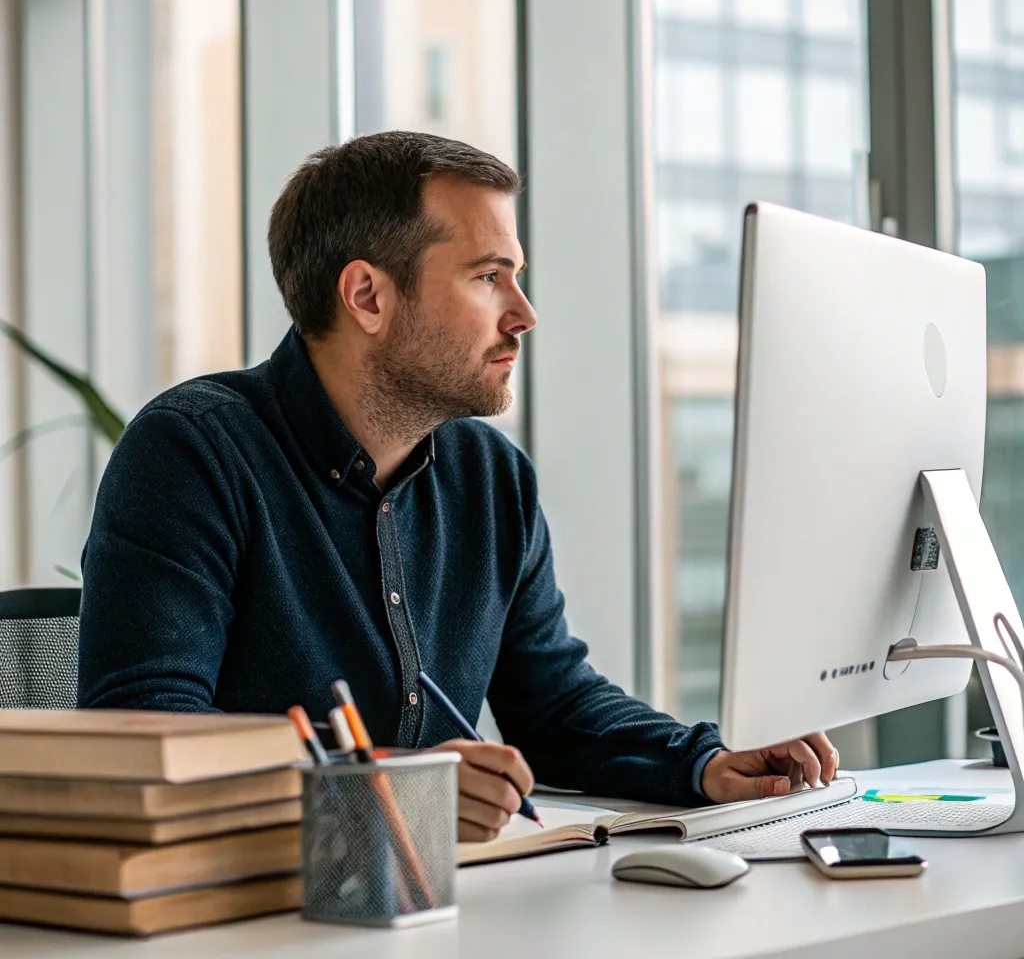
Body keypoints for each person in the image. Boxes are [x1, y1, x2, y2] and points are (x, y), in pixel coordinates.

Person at [78, 132, 838, 842]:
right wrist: (402, 791)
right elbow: (147, 734)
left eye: (517, 278)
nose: (524, 315)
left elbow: (555, 704)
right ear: (368, 297)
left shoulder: (491, 476)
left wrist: (701, 762)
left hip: (434, 910)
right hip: (251, 921)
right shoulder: (194, 452)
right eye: (487, 277)